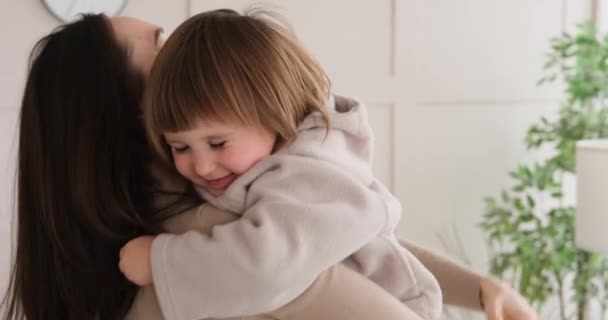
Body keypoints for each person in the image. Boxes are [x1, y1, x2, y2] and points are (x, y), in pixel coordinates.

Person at [1, 12, 537, 320]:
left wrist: (477, 285)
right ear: (132, 110)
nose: (184, 50)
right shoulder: (220, 246)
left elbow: (344, 223)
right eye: (162, 47)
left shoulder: (213, 203)